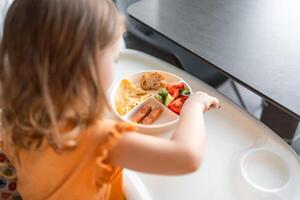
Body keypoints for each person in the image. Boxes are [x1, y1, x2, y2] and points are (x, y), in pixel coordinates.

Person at [0, 0, 219, 199]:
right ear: (85, 70)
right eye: (113, 57)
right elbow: (186, 157)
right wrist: (193, 105)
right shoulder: (99, 139)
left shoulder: (12, 108)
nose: (115, 62)